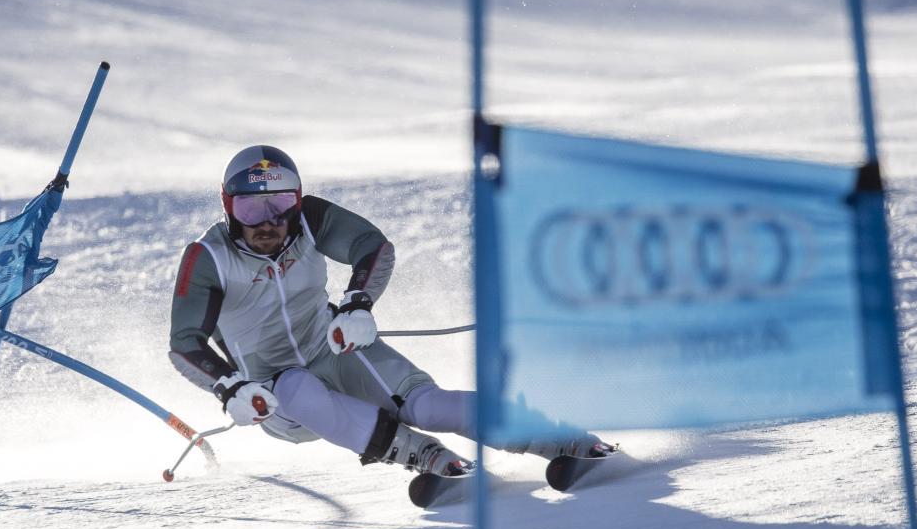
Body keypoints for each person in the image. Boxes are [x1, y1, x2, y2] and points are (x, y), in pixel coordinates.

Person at [169, 145, 611, 479]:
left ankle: (558, 437)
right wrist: (230, 388)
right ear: (228, 207)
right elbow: (184, 342)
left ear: (297, 201)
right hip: (275, 394)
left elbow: (372, 246)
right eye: (250, 207)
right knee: (297, 384)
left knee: (428, 405)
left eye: (280, 205)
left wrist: (357, 304)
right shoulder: (209, 256)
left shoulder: (308, 221)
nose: (267, 222)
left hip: (333, 351)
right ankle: (420, 454)